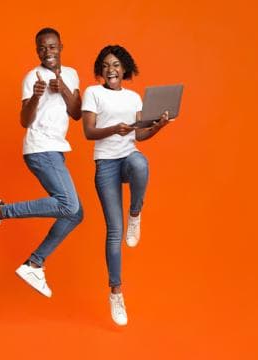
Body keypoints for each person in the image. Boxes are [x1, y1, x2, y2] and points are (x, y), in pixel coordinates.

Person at [0, 28, 83, 298]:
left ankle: (35, 263)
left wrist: (63, 88)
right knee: (69, 204)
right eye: (43, 48)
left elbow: (77, 113)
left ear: (61, 47)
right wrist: (35, 96)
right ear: (37, 51)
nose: (48, 52)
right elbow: (24, 121)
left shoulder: (71, 74)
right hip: (39, 148)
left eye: (52, 47)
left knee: (75, 213)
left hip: (56, 149)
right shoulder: (31, 77)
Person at [81, 45, 172, 325]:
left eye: (117, 65)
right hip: (106, 163)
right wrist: (114, 129)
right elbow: (88, 131)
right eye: (107, 65)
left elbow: (140, 135)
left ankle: (136, 213)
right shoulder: (92, 93)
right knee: (114, 232)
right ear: (101, 69)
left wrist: (158, 126)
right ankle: (116, 292)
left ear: (125, 69)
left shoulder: (133, 97)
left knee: (140, 163)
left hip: (128, 157)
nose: (112, 69)